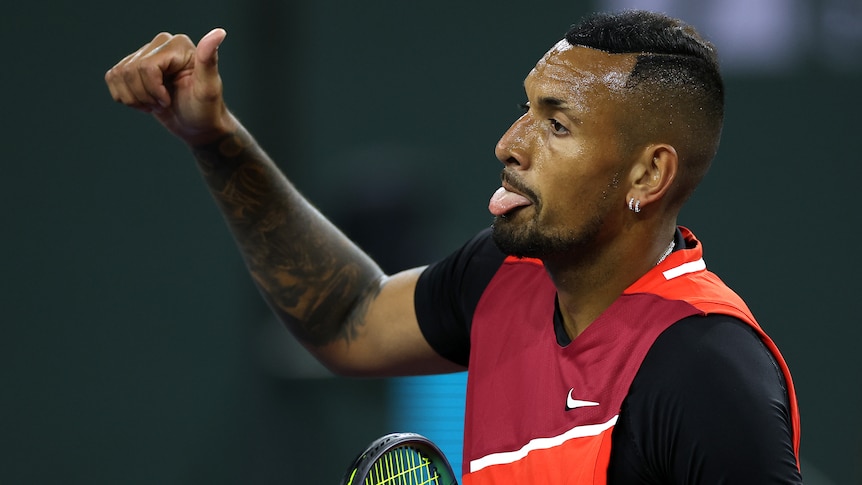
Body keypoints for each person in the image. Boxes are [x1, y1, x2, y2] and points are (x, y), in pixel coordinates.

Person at [105, 10, 802, 484]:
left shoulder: (708, 374)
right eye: (527, 107)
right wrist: (215, 138)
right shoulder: (502, 275)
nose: (510, 142)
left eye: (556, 125)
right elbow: (347, 317)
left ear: (648, 175)